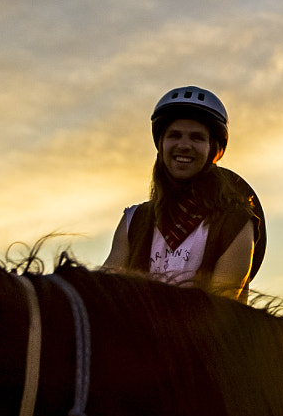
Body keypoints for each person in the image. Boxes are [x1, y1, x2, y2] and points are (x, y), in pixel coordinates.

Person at [105, 85, 266, 299]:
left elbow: (222, 306)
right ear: (161, 144)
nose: (184, 145)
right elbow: (104, 291)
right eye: (175, 135)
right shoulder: (133, 221)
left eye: (197, 138)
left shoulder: (235, 223)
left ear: (213, 150)